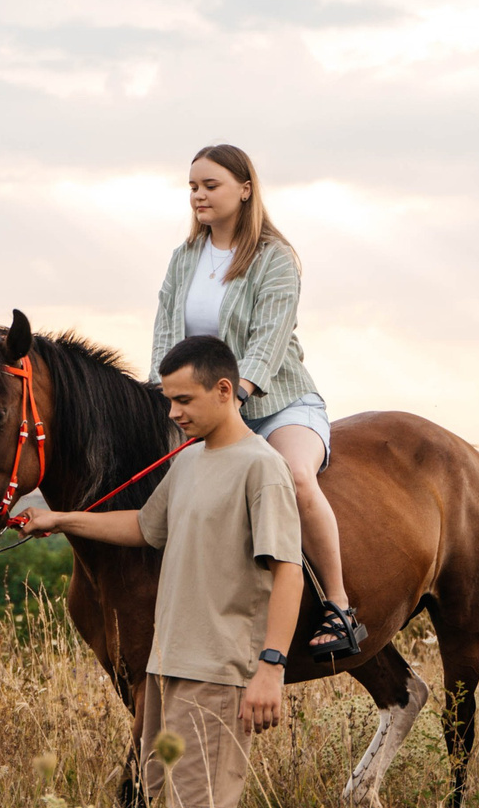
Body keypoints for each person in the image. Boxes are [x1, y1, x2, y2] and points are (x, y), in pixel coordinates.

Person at [23, 335, 302, 808]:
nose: (172, 412)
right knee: (199, 806)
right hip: (166, 665)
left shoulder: (262, 469)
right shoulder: (189, 462)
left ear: (224, 391)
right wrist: (60, 519)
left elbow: (288, 571)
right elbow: (146, 528)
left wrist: (271, 667)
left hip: (218, 666)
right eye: (168, 399)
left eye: (184, 400)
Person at [149, 144, 360, 658]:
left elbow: (269, 339)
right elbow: (165, 335)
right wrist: (162, 396)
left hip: (278, 402)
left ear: (245, 190)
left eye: (210, 185)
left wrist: (239, 394)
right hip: (207, 410)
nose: (198, 195)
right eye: (193, 186)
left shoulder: (275, 258)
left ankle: (339, 605)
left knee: (296, 476)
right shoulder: (184, 258)